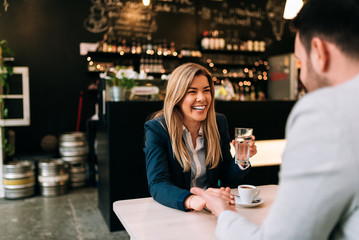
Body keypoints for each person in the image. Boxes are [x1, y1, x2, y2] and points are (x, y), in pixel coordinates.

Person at [191, 0, 359, 239]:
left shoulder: (325, 112)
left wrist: (224, 213)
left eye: (300, 63)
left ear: (320, 52)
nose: (301, 77)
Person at [144, 63, 257, 212]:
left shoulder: (218, 123)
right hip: (177, 210)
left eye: (206, 91)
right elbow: (158, 184)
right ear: (177, 97)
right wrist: (192, 200)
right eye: (192, 92)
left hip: (212, 210)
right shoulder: (158, 129)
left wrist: (241, 158)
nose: (202, 98)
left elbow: (227, 178)